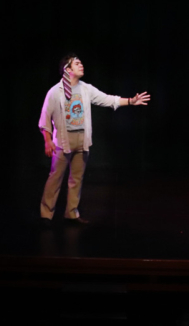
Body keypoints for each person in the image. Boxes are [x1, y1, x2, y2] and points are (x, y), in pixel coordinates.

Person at [38, 54, 151, 226]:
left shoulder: (86, 89)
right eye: (77, 63)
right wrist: (47, 141)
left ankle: (71, 214)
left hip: (82, 140)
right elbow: (45, 118)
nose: (81, 65)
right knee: (55, 178)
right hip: (62, 141)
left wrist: (130, 101)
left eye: (81, 63)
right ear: (68, 69)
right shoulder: (55, 92)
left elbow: (107, 99)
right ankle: (46, 215)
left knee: (76, 179)